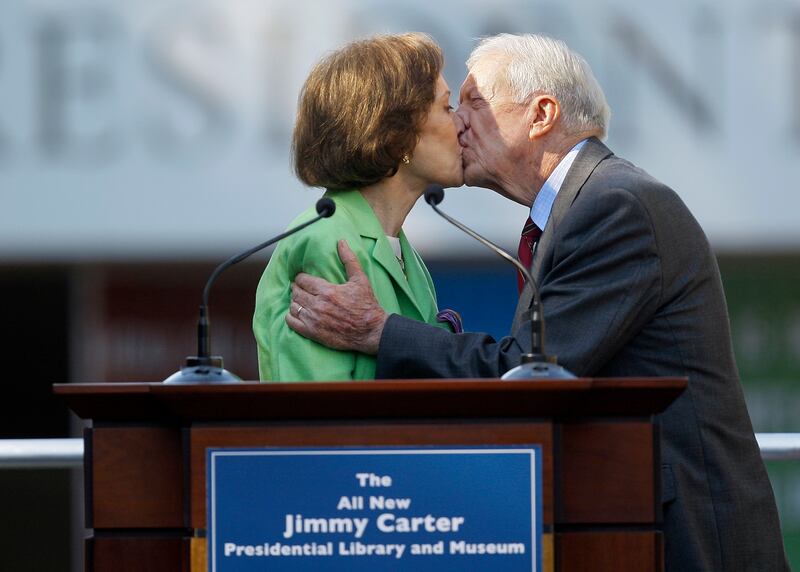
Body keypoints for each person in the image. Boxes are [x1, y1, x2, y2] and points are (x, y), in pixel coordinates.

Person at [285, 34, 789, 570]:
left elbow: (526, 374)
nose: (458, 122)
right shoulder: (581, 209)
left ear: (541, 114)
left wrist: (379, 331)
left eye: (474, 103)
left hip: (686, 540)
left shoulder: (614, 206)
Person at [253, 33, 463, 381]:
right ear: (399, 135)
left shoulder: (402, 250)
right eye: (446, 108)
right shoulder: (325, 240)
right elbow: (320, 415)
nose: (460, 123)